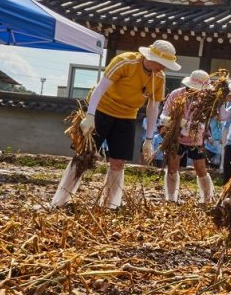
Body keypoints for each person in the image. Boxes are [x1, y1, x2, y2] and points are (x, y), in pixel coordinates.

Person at [50, 40, 179, 209]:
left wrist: (148, 139)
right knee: (83, 156)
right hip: (103, 109)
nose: (163, 68)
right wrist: (90, 115)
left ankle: (110, 204)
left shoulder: (159, 77)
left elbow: (153, 106)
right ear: (151, 57)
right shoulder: (125, 62)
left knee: (118, 162)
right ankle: (60, 200)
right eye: (162, 64)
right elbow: (101, 88)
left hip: (127, 116)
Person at [161, 69, 216, 204]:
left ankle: (207, 198)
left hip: (195, 138)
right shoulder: (176, 94)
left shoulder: (207, 101)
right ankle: (171, 197)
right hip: (176, 136)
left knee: (200, 168)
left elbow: (211, 119)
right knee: (173, 167)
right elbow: (163, 114)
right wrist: (174, 122)